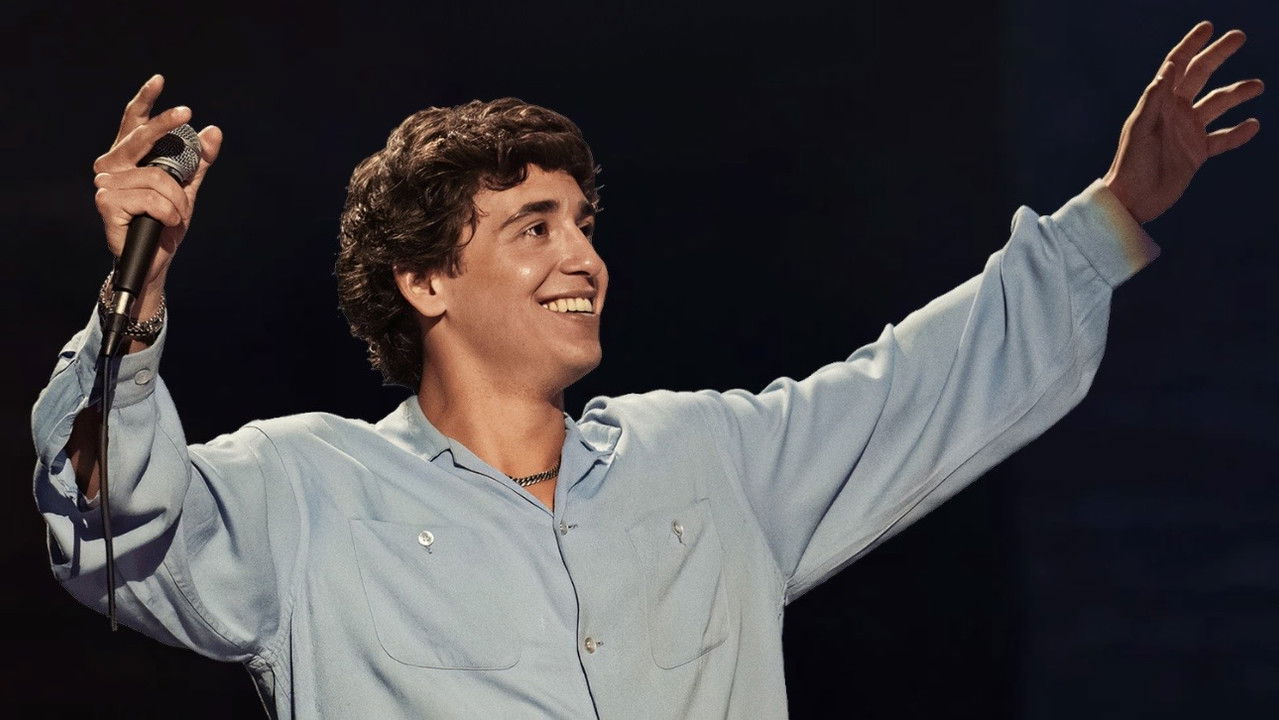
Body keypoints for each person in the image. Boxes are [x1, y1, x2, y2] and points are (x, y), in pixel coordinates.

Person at [32, 20, 1262, 719]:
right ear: (424, 281)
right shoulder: (306, 491)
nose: (583, 256)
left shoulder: (706, 458)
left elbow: (921, 386)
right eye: (534, 227)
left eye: (583, 223)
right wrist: (136, 299)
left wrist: (1113, 214)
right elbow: (110, 527)